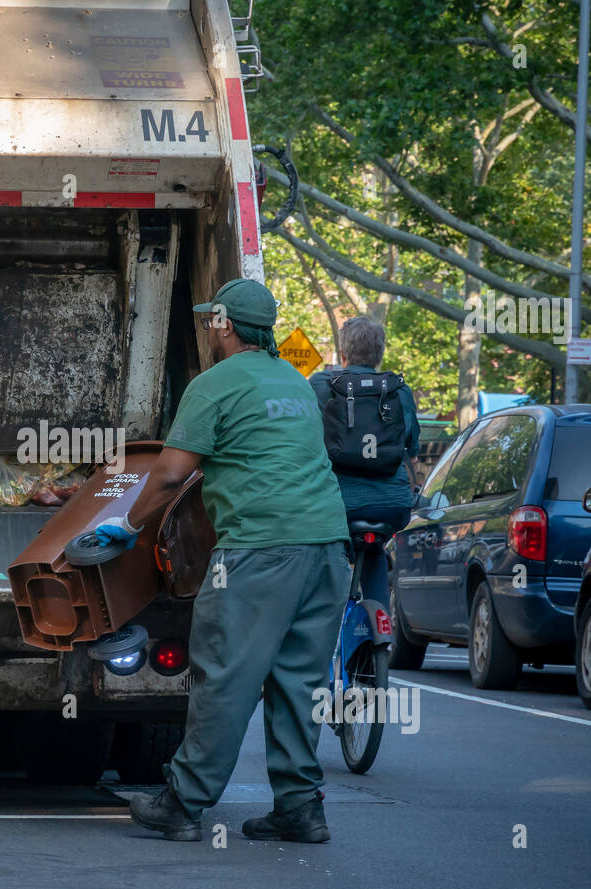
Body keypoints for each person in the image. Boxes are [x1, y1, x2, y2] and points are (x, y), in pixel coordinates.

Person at [95, 278, 351, 843]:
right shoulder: (297, 383)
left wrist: (125, 525)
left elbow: (168, 472)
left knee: (225, 676)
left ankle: (182, 803)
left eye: (213, 319)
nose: (210, 327)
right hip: (329, 550)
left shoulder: (215, 384)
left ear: (226, 325)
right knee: (298, 681)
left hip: (259, 552)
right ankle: (301, 808)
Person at [309, 316, 420, 605]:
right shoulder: (398, 390)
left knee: (323, 556)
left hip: (338, 504)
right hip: (392, 506)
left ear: (342, 353)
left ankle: (329, 630)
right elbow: (412, 450)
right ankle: (381, 631)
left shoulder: (323, 384)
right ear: (380, 354)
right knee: (374, 553)